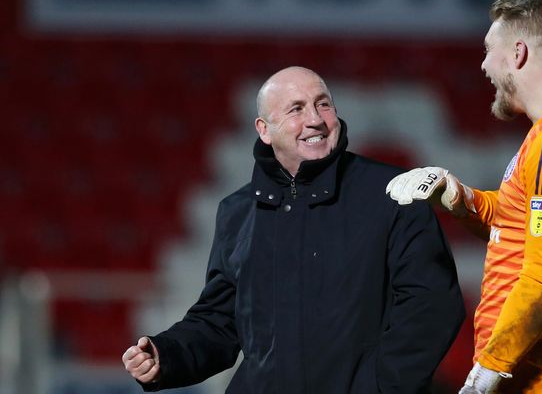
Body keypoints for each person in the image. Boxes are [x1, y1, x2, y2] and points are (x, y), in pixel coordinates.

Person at [122, 66, 465, 393]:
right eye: (296, 109)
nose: (315, 120)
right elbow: (219, 323)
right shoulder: (237, 212)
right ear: (264, 129)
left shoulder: (395, 194)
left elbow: (432, 306)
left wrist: (380, 389)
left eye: (323, 104)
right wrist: (166, 355)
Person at [387, 0, 542, 393]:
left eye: (487, 50)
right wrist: (460, 197)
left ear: (518, 53)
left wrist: (485, 374)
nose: (482, 65)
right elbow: (527, 226)